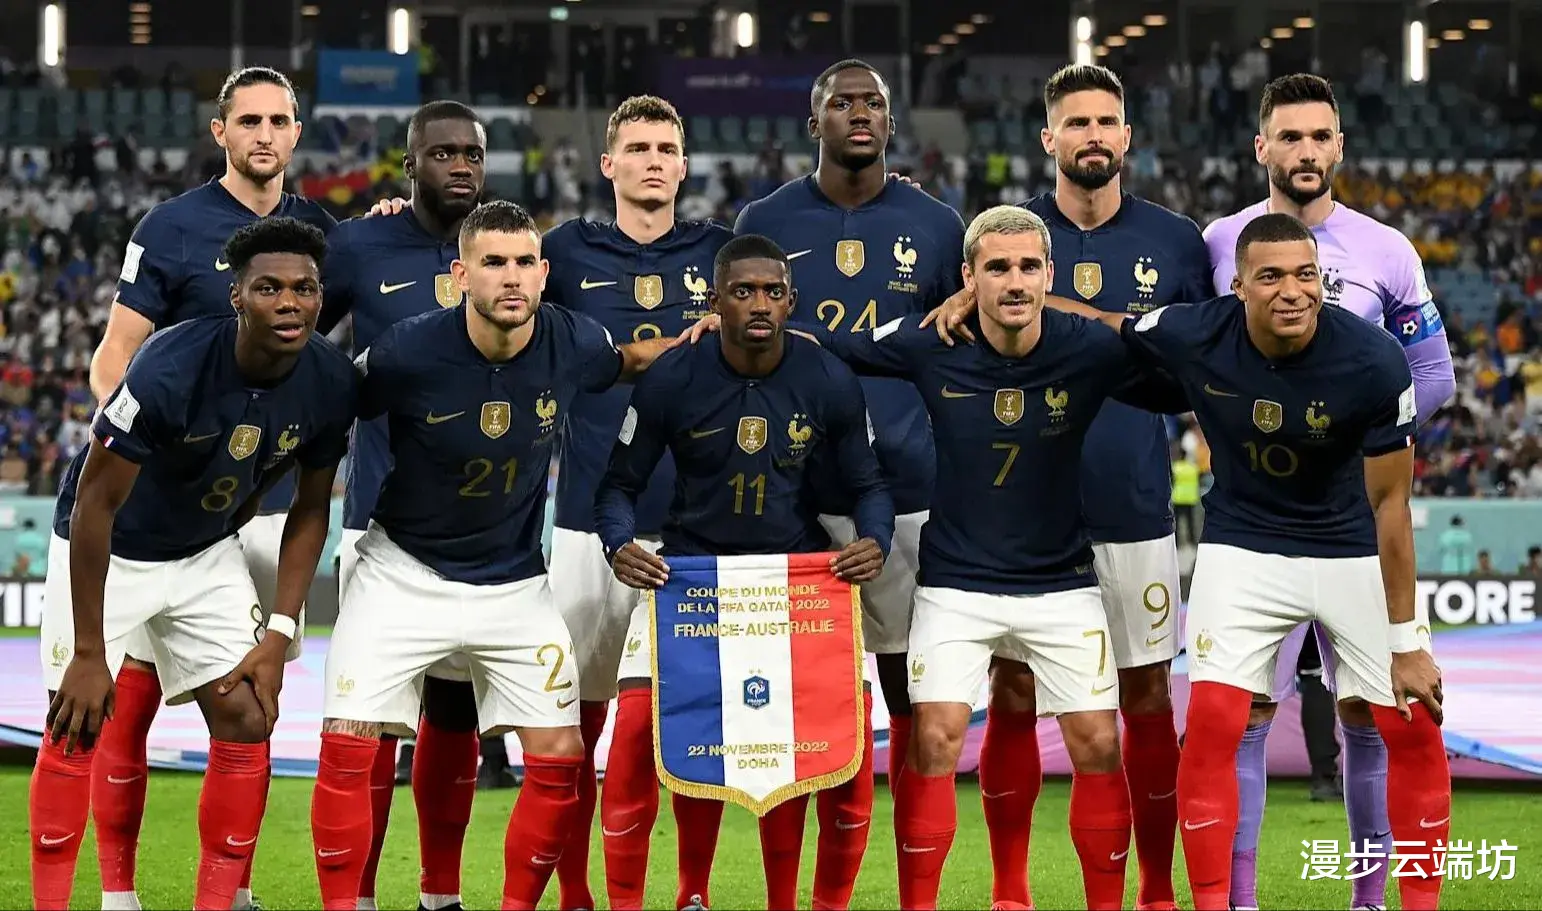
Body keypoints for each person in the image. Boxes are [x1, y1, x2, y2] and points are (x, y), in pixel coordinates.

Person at [788, 205, 1188, 911]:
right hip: (955, 585)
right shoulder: (930, 340)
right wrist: (740, 327)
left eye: (1029, 266)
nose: (1015, 280)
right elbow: (835, 345)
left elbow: (1181, 378)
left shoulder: (1089, 348)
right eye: (997, 267)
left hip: (1061, 583)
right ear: (968, 277)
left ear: (1050, 275)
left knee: (1099, 742)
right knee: (935, 738)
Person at [307, 200, 680, 911]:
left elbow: (631, 359)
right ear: (460, 276)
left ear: (543, 272)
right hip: (401, 573)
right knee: (349, 743)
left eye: (523, 263)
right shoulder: (408, 350)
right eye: (493, 263)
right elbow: (328, 404)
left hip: (514, 583)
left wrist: (704, 338)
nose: (511, 277)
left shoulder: (572, 340)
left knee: (561, 756)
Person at [920, 64, 1206, 910]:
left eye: (1106, 121)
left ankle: (1155, 890)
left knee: (1145, 696)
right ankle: (1011, 891)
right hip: (1021, 518)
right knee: (1012, 693)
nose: (1092, 135)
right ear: (1048, 138)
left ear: (1127, 136)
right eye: (1075, 122)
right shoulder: (1006, 240)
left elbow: (1193, 367)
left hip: (1131, 506)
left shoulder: (1176, 241)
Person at [1109, 212, 1449, 911]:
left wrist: (1407, 642)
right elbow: (1104, 325)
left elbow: (1391, 504)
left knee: (1412, 724)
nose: (1292, 291)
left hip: (1351, 545)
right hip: (1244, 545)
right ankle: (1224, 904)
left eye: (1305, 275)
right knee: (1213, 724)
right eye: (1270, 276)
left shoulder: (1374, 360)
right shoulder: (1197, 330)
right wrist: (1009, 300)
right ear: (1237, 287)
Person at [32, 217, 356, 911]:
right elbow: (93, 505)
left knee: (247, 713)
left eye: (304, 288)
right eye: (268, 288)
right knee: (73, 722)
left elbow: (310, 509)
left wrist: (278, 633)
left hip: (205, 552)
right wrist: (88, 652)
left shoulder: (332, 381)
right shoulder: (170, 366)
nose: (289, 302)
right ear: (236, 296)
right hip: (113, 550)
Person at [79, 66, 335, 911]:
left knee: (252, 704)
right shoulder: (171, 226)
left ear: (297, 132)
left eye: (279, 120)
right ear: (219, 131)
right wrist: (128, 434)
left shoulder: (320, 234)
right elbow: (116, 353)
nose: (265, 134)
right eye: (248, 120)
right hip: (169, 510)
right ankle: (119, 892)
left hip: (262, 505)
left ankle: (234, 888)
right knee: (133, 700)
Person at [1200, 74, 1456, 911]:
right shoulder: (1219, 242)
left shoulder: (1388, 250)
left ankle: (1370, 900)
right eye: (1290, 136)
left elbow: (1433, 376)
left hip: (1357, 519)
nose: (1306, 151)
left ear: (1339, 145)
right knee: (1242, 715)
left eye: (1320, 136)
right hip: (1255, 521)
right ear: (1261, 148)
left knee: (1374, 711)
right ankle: (1240, 899)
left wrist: (1357, 434)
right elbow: (1195, 355)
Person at [595, 234, 894, 910]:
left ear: (791, 301)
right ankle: (683, 896)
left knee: (827, 746)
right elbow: (618, 485)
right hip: (691, 580)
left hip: (793, 583)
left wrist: (875, 538)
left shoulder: (827, 378)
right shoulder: (673, 376)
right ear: (715, 300)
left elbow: (869, 483)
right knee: (638, 731)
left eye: (772, 291)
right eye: (743, 291)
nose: (759, 303)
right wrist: (618, 543)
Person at [732, 58, 965, 906]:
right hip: (790, 502)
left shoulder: (937, 225)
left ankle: (915, 898)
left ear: (892, 123)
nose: (859, 114)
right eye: (842, 102)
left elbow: (959, 346)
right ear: (815, 121)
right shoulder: (764, 220)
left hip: (909, 497)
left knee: (914, 706)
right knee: (799, 718)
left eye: (873, 103)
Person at [541, 95, 733, 911]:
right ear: (608, 163)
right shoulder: (563, 251)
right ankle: (577, 892)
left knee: (688, 722)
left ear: (684, 166)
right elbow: (475, 272)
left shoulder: (723, 254)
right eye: (639, 147)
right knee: (573, 726)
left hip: (695, 527)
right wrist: (395, 210)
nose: (653, 160)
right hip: (587, 524)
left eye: (666, 148)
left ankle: (691, 891)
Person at [316, 98, 489, 911]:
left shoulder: (505, 249)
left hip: (482, 532)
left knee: (453, 715)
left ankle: (439, 894)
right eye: (443, 153)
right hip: (379, 522)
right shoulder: (358, 245)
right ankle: (358, 896)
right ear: (409, 161)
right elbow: (301, 344)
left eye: (472, 154)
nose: (460, 166)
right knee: (370, 718)